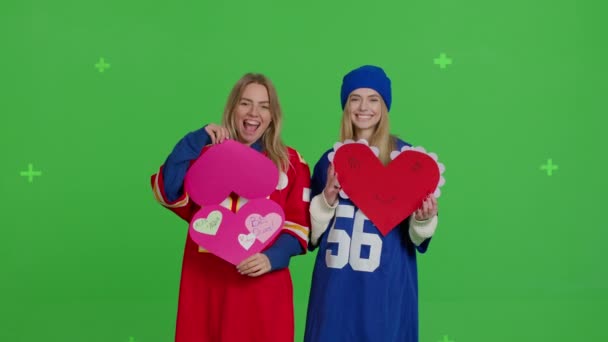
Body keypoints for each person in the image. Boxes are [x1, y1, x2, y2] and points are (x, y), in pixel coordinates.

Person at [150, 73, 311, 342]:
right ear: (233, 108)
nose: (254, 113)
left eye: (264, 105)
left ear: (273, 115)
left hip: (261, 286)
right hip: (206, 283)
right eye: (245, 103)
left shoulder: (291, 163)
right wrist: (192, 141)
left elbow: (298, 227)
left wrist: (272, 258)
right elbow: (167, 191)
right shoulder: (203, 153)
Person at [304, 65, 440, 342]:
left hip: (385, 286)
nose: (363, 107)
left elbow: (416, 238)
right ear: (346, 105)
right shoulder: (329, 160)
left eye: (373, 99)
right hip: (335, 287)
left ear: (384, 106)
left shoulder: (406, 159)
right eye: (355, 98)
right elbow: (311, 236)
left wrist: (424, 220)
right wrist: (326, 201)